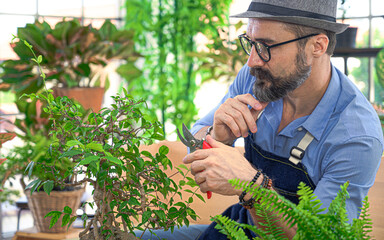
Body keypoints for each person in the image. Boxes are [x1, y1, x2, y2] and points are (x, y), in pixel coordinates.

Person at [137, 0, 384, 239]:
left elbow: (314, 235)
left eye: (266, 46)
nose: (252, 61)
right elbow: (197, 136)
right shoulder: (259, 79)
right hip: (235, 228)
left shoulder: (356, 137)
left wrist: (254, 187)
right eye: (251, 43)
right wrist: (217, 136)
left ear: (317, 46)